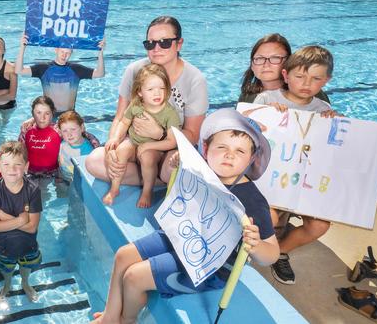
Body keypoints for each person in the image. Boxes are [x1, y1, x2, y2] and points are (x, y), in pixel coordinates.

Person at [92, 108, 279, 324]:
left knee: (133, 277)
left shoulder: (252, 201)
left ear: (251, 158)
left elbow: (272, 254)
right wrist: (174, 166)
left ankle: (127, 320)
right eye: (222, 147)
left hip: (208, 268)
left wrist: (256, 246)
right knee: (123, 255)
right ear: (206, 148)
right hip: (181, 237)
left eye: (240, 151)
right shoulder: (201, 169)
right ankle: (110, 316)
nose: (230, 155)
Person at [85, 16, 209, 187]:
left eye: (164, 42)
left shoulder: (194, 79)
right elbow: (120, 117)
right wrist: (113, 145)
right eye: (150, 44)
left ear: (179, 44)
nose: (156, 48)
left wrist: (161, 135)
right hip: (134, 145)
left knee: (174, 170)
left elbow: (193, 134)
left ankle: (155, 176)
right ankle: (153, 180)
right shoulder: (134, 70)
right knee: (93, 161)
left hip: (168, 152)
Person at [252, 45, 338, 285]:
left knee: (320, 225)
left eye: (316, 78)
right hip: (270, 184)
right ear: (285, 75)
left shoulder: (325, 111)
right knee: (268, 217)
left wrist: (336, 128)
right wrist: (265, 114)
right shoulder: (267, 99)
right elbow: (249, 135)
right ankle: (255, 246)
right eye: (300, 76)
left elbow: (329, 155)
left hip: (303, 185)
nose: (306, 83)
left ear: (326, 81)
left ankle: (280, 250)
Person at [103, 64, 180, 208]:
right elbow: (124, 123)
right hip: (133, 142)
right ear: (139, 92)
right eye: (150, 89)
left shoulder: (170, 113)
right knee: (121, 152)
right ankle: (115, 188)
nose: (157, 93)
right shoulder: (136, 105)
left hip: (155, 149)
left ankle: (147, 191)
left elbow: (171, 142)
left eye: (161, 88)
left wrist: (149, 145)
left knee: (147, 157)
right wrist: (115, 138)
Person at [0, 141, 42, 303]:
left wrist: (5, 217)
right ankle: (7, 285)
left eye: (18, 164)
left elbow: (31, 228)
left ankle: (25, 283)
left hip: (28, 245)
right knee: (6, 270)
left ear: (26, 166)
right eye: (6, 164)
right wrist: (20, 219)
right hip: (3, 246)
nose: (12, 169)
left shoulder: (33, 190)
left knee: (25, 268)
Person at [15, 33, 105, 115]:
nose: (64, 55)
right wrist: (22, 47)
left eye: (67, 53)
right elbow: (19, 71)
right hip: (49, 116)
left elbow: (100, 73)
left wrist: (100, 52)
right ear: (56, 49)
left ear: (71, 53)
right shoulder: (43, 68)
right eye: (62, 52)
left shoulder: (76, 69)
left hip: (69, 116)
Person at [239, 33, 330, 104]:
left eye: (276, 58)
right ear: (252, 65)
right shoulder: (247, 96)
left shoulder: (310, 93)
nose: (266, 64)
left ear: (288, 63)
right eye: (259, 58)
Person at [18, 96, 61, 176]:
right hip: (30, 174)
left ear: (52, 114)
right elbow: (19, 153)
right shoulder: (26, 130)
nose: (42, 118)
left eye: (47, 113)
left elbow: (78, 134)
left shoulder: (58, 130)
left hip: (52, 174)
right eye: (38, 113)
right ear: (33, 114)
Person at [57, 111, 95, 183]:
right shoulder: (63, 143)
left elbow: (87, 176)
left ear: (82, 128)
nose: (69, 134)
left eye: (73, 129)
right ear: (60, 132)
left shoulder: (87, 151)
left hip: (75, 181)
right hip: (62, 176)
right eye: (65, 131)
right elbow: (60, 159)